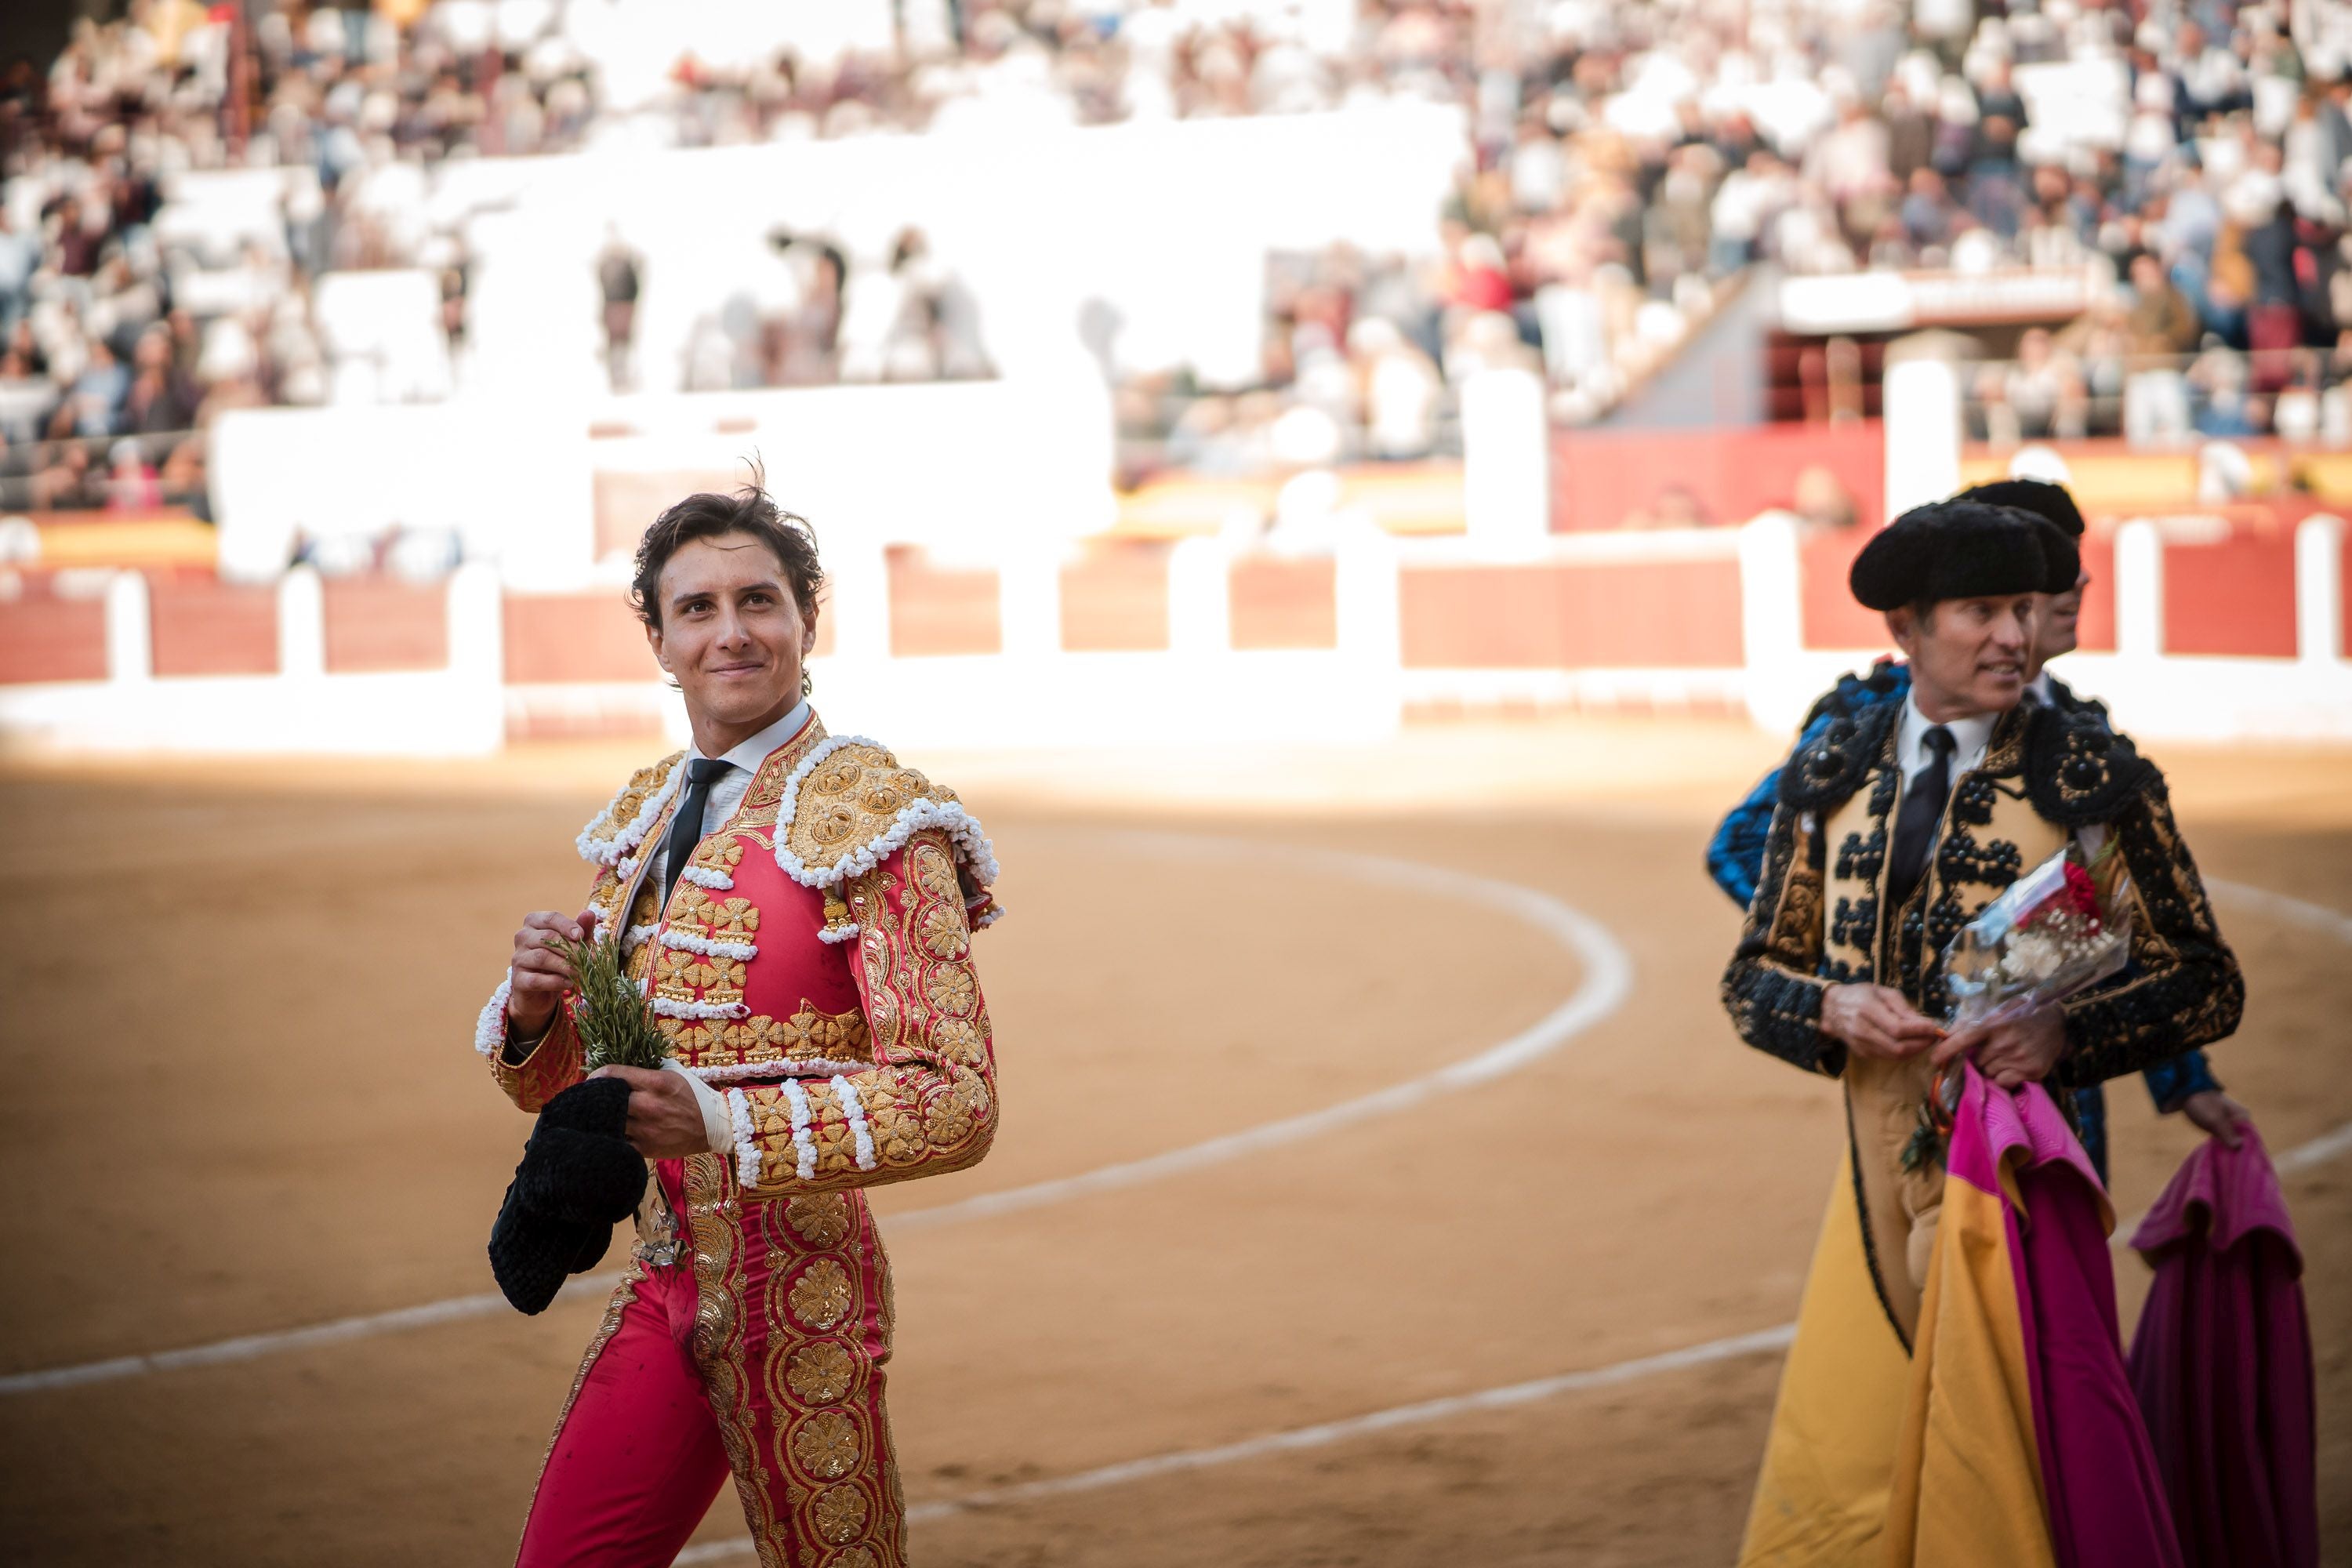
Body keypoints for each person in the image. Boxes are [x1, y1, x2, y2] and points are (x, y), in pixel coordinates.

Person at [476, 482, 1003, 1568]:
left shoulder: (879, 820)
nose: (732, 631)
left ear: (810, 619)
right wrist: (538, 1015)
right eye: (698, 608)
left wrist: (721, 1124)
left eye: (759, 600)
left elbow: (957, 1098)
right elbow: (590, 1088)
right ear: (660, 642)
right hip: (664, 1273)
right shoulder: (651, 813)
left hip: (799, 1290)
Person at [1721, 499, 2243, 1563]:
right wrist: (1828, 1001)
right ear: (1906, 630)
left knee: (2021, 1451)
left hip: (2024, 1162)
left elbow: (2205, 981)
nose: (2016, 632)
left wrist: (2067, 1035)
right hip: (1874, 1167)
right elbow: (1749, 983)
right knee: (1859, 1462)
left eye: (2023, 607)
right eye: (1981, 611)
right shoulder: (1831, 767)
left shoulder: (2095, 776)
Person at [1704, 478, 2247, 1177]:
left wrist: (2179, 1077)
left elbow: (2150, 946)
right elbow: (1743, 854)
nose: (2074, 579)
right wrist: (1855, 964)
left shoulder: (2089, 748)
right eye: (1989, 600)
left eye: (2033, 588)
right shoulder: (1859, 728)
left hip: (2043, 1091)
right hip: (1897, 1099)